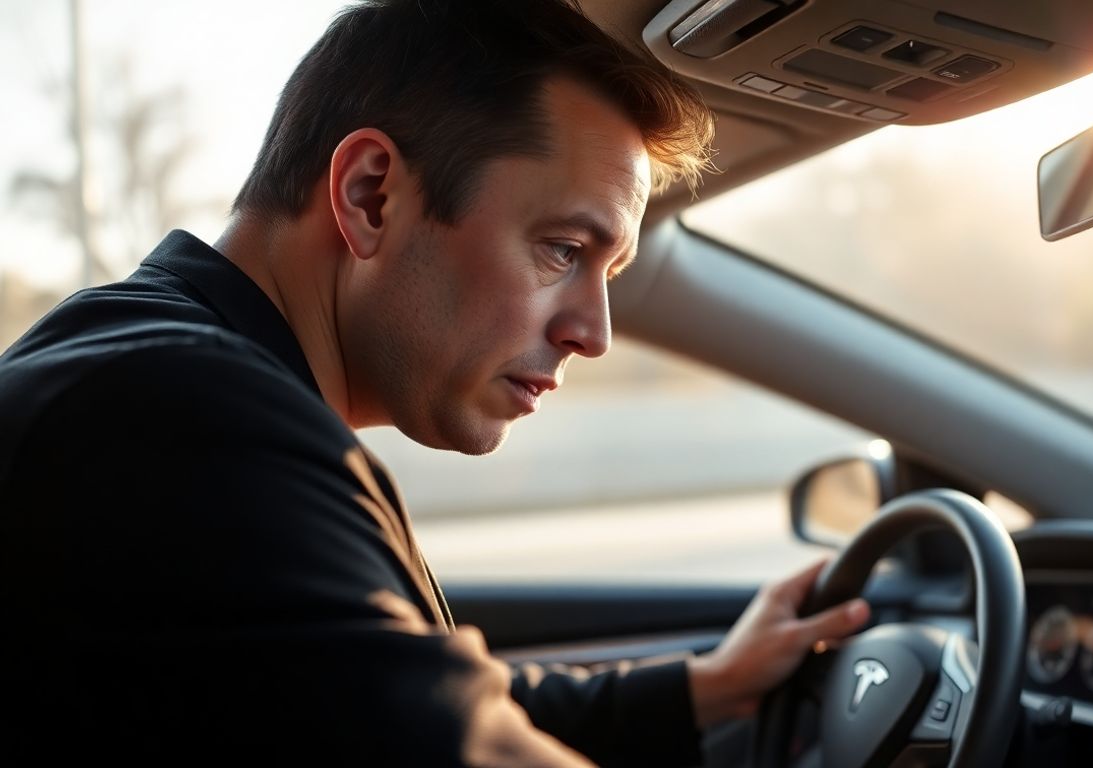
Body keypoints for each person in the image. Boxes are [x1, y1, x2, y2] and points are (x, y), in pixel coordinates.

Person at [0, 0, 871, 764]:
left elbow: (392, 695)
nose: (592, 333)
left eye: (606, 272)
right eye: (563, 251)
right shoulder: (181, 419)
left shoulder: (162, 375)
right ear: (371, 195)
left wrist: (707, 687)